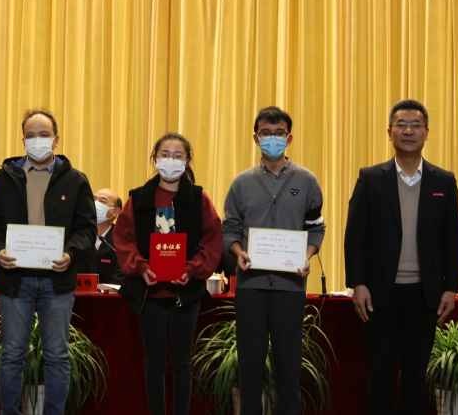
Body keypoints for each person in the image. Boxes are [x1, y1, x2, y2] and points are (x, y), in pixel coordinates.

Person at [344, 99, 458, 415]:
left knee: (415, 376)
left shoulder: (444, 180)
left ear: (427, 132)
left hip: (425, 293)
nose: (408, 130)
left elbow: (453, 239)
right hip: (378, 294)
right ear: (389, 132)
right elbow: (354, 235)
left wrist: (451, 287)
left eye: (415, 125)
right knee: (379, 375)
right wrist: (357, 283)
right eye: (401, 124)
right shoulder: (371, 178)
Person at [0, 109, 96, 415]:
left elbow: (87, 228)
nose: (37, 140)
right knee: (12, 355)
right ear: (23, 141)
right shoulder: (5, 177)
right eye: (31, 135)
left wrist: (70, 253)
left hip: (57, 281)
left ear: (56, 140)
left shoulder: (75, 180)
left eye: (44, 135)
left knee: (57, 355)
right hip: (14, 279)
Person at [223, 106, 325, 415]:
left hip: (290, 286)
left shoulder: (306, 180)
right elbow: (230, 228)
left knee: (288, 364)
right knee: (250, 364)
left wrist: (307, 255)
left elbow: (315, 227)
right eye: (266, 133)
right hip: (250, 286)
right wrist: (238, 252)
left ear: (289, 138)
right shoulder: (241, 183)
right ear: (256, 138)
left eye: (279, 133)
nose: (273, 139)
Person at [114, 132, 222, 415]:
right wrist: (141, 266)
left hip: (185, 291)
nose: (170, 160)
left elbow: (212, 239)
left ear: (187, 161)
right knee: (154, 363)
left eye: (177, 155)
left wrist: (191, 269)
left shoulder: (198, 198)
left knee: (183, 362)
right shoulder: (138, 198)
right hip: (149, 292)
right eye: (164, 155)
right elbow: (124, 238)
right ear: (154, 158)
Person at [76, 188, 126, 285]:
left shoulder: (122, 240)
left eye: (102, 201)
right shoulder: (77, 236)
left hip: (110, 293)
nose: (95, 204)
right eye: (93, 199)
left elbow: (120, 276)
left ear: (116, 211)